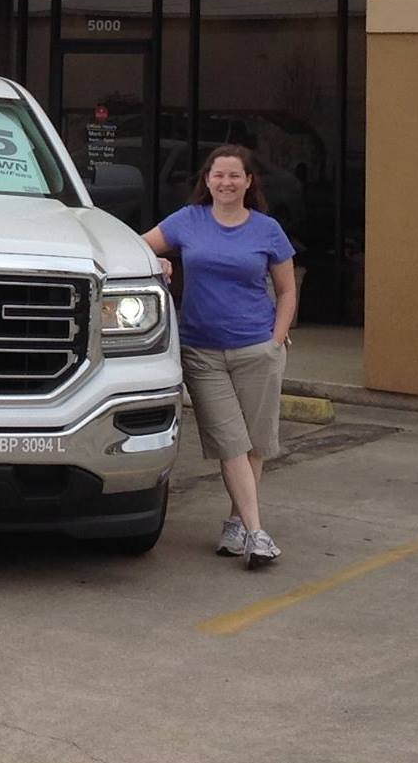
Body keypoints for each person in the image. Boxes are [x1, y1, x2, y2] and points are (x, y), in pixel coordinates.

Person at [142, 146, 296, 570]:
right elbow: (134, 247)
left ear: (249, 182)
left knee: (255, 444)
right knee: (231, 443)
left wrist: (276, 339)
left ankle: (236, 524)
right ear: (207, 181)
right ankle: (257, 533)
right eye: (218, 175)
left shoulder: (267, 229)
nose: (226, 183)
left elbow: (287, 290)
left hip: (257, 349)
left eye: (234, 176)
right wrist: (157, 259)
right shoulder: (187, 220)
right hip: (202, 352)